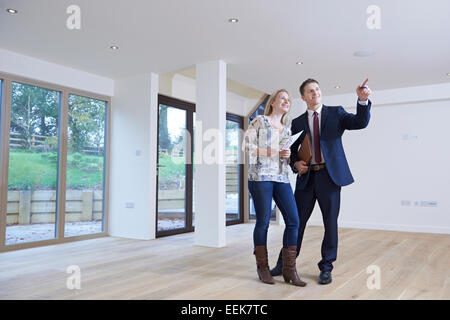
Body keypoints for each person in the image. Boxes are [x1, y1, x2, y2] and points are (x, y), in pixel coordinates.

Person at [270, 79, 372, 285]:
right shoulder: (297, 122)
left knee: (330, 224)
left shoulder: (337, 113)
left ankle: (326, 267)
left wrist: (362, 101)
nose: (315, 93)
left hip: (330, 177)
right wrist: (295, 164)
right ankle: (285, 264)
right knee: (295, 223)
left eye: (317, 89)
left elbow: (359, 123)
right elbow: (289, 152)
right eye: (310, 91)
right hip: (307, 179)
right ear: (303, 97)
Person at [243, 89, 307, 286]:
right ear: (273, 102)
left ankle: (289, 269)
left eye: (289, 100)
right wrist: (272, 151)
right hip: (260, 177)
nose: (287, 102)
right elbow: (246, 146)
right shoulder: (260, 121)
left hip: (281, 177)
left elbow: (284, 158)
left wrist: (287, 156)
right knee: (263, 222)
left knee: (294, 221)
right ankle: (263, 268)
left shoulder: (287, 129)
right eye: (283, 98)